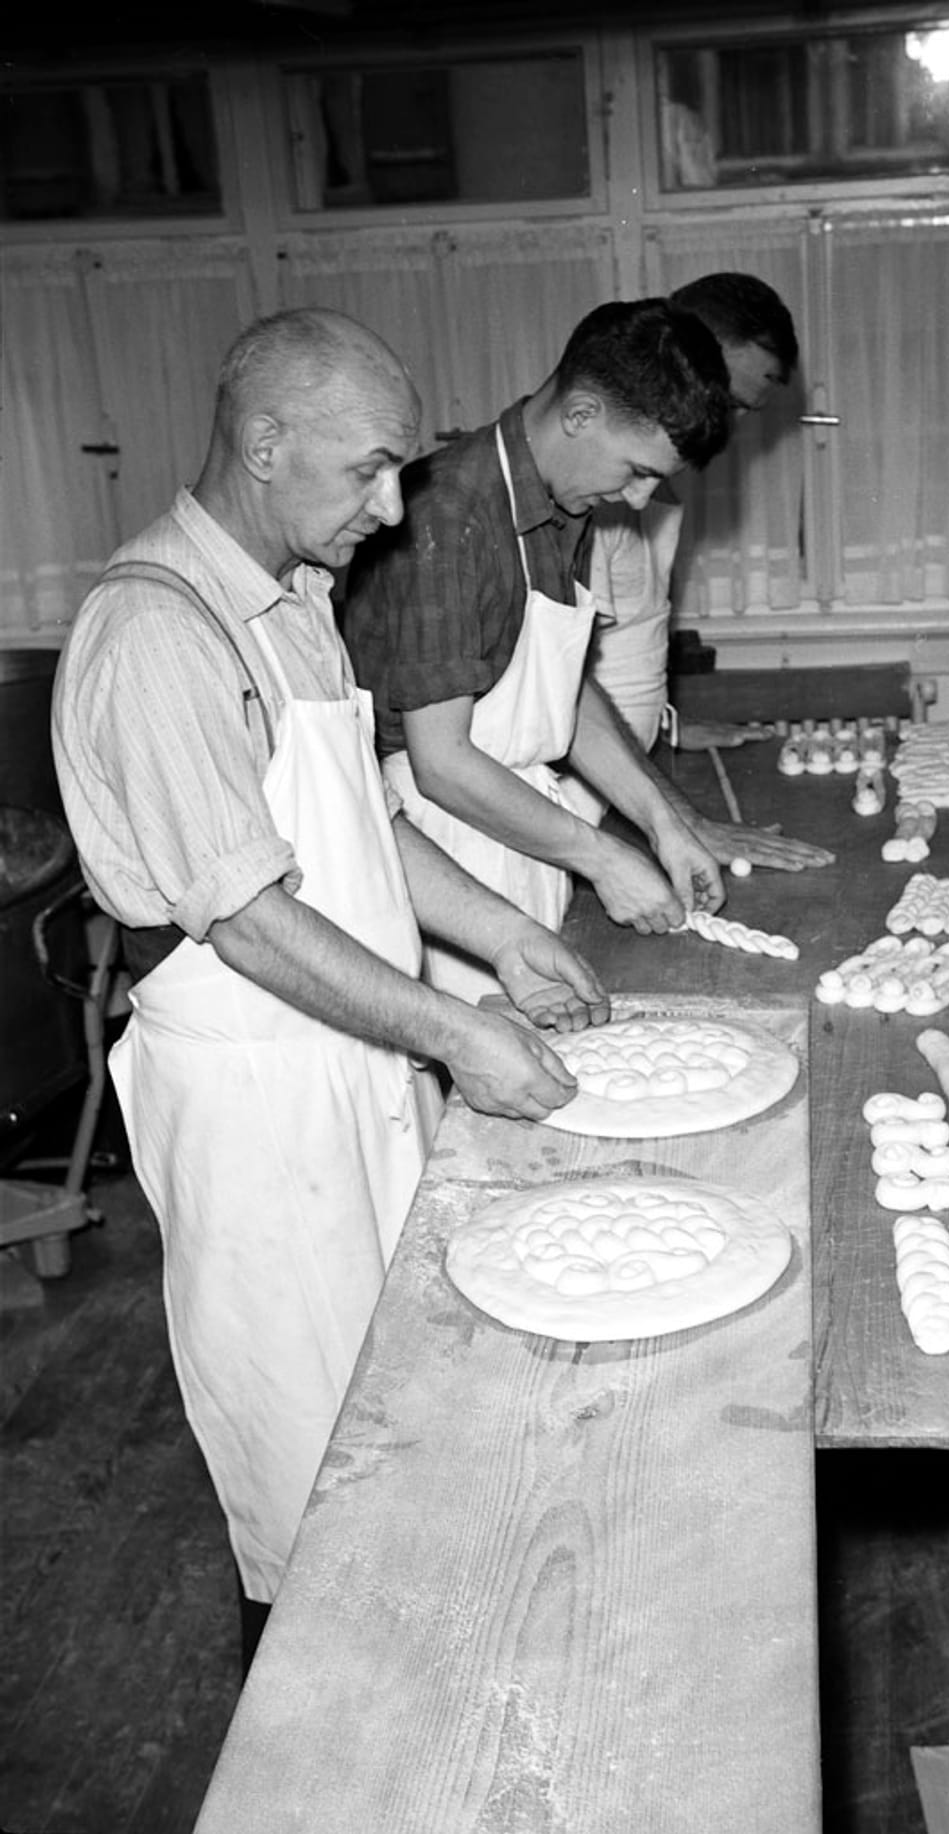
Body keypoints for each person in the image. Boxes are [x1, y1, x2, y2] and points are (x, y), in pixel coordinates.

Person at [51, 307, 610, 1657]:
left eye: (402, 465)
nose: (394, 500)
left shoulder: (294, 605)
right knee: (306, 1469)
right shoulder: (157, 633)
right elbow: (246, 918)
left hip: (346, 1070)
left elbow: (365, 826)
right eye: (368, 467)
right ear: (263, 444)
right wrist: (451, 1031)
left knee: (401, 1411)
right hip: (256, 1111)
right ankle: (307, 1757)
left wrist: (502, 938)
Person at [343, 297, 737, 1006]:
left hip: (518, 827)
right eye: (637, 469)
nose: (642, 501)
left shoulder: (565, 504)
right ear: (580, 414)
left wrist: (662, 826)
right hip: (440, 853)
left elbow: (564, 691)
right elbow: (442, 765)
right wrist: (602, 858)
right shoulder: (448, 513)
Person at [583, 272, 834, 873]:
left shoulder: (647, 482)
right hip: (588, 800)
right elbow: (559, 687)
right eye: (728, 401)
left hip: (626, 781)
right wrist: (686, 821)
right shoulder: (594, 485)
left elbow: (618, 644)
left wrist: (663, 726)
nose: (726, 426)